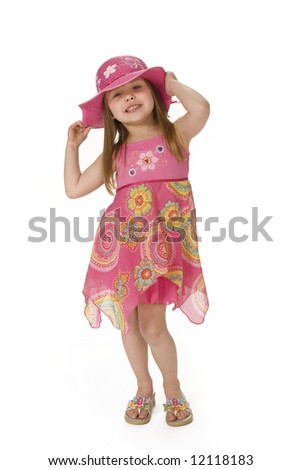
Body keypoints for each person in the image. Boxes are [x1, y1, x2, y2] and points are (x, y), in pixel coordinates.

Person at [64, 55, 210, 426]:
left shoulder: (175, 135)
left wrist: (171, 82)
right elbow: (75, 188)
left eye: (137, 87)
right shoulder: (115, 152)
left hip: (161, 251)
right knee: (129, 322)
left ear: (153, 94)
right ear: (109, 111)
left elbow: (202, 107)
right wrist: (73, 148)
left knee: (153, 326)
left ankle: (173, 389)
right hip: (122, 247)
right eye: (117, 95)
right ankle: (144, 388)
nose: (128, 97)